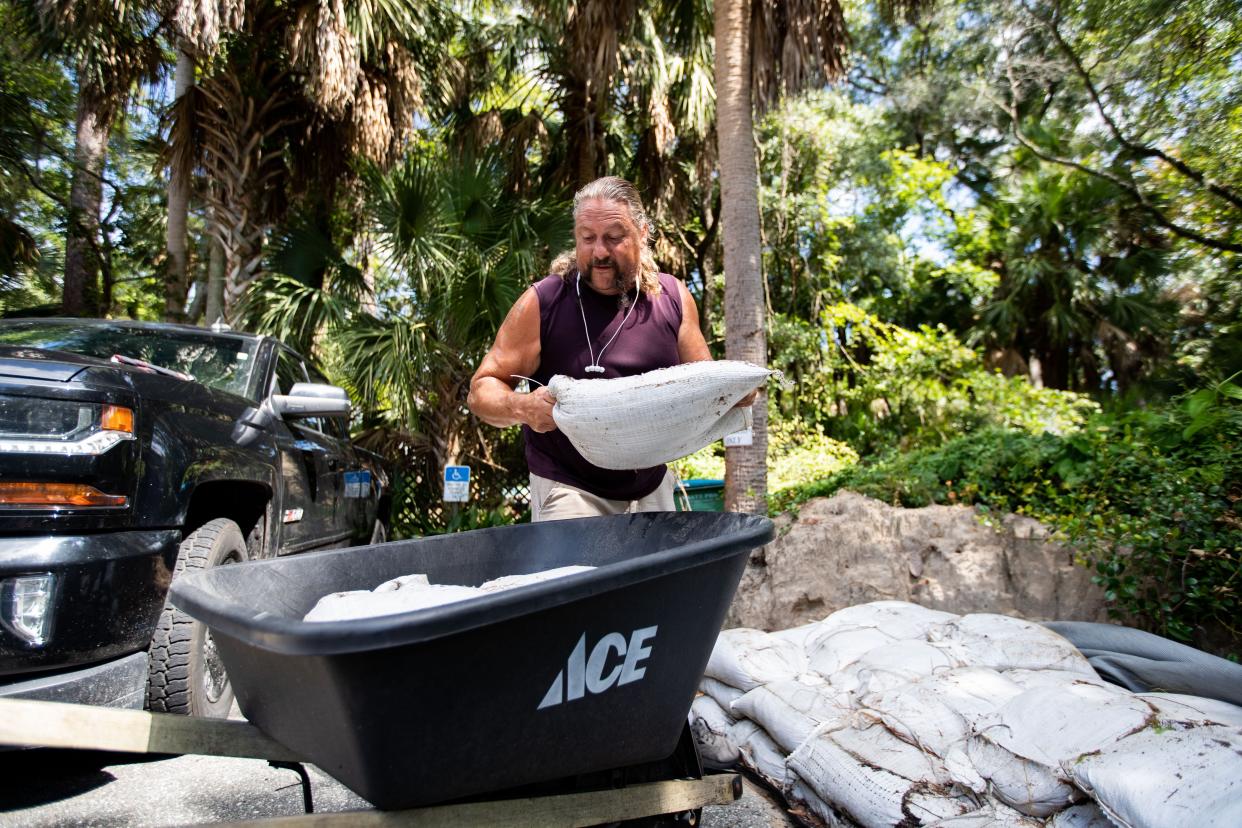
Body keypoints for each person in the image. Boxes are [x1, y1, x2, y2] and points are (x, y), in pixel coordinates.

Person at [468, 176, 754, 521]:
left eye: (614, 238)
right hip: (570, 488)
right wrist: (523, 407)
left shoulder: (673, 298)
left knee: (659, 578)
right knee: (584, 577)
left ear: (643, 232)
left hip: (651, 486)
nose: (599, 252)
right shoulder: (543, 301)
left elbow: (706, 385)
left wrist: (735, 393)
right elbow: (481, 390)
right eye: (587, 238)